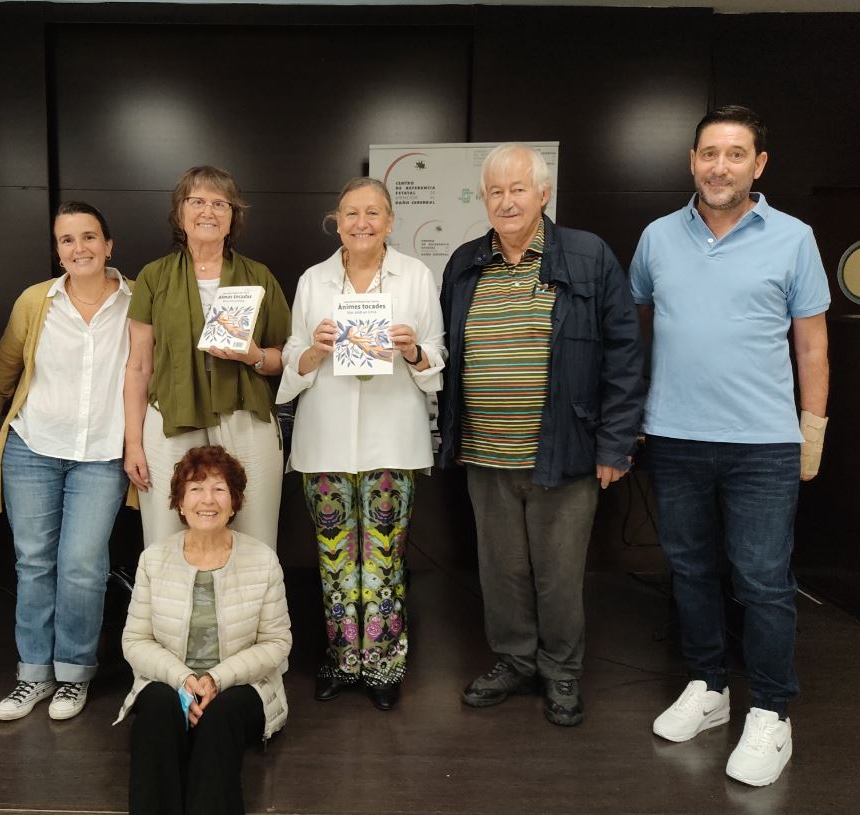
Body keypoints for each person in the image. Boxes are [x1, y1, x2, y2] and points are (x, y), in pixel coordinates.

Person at [630, 105, 830, 787]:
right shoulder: (657, 237)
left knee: (763, 581)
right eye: (709, 153)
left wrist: (812, 431)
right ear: (692, 160)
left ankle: (771, 710)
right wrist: (635, 413)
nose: (720, 167)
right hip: (674, 435)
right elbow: (641, 325)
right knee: (688, 570)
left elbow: (812, 345)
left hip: (762, 444)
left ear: (758, 164)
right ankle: (708, 686)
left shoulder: (794, 237)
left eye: (735, 154)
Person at [438, 142, 643, 727]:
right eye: (495, 192)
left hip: (565, 450)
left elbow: (624, 354)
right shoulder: (464, 262)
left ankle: (561, 670)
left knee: (558, 574)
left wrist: (616, 444)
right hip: (485, 452)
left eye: (518, 189)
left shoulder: (587, 254)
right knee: (500, 571)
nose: (506, 201)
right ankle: (514, 661)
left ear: (544, 194)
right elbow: (445, 348)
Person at [277, 177, 445, 710]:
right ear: (337, 222)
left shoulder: (415, 276)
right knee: (334, 560)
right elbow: (292, 357)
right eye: (351, 213)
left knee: (384, 559)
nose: (362, 222)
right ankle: (342, 659)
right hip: (325, 439)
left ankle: (383, 664)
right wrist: (314, 350)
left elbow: (436, 357)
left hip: (392, 438)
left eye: (373, 212)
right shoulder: (314, 280)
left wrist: (413, 350)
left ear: (390, 222)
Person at [0, 201, 131, 721]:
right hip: (32, 448)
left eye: (89, 237)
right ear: (58, 251)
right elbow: (5, 366)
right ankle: (33, 674)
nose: (79, 248)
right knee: (34, 562)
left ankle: (74, 675)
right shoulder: (36, 301)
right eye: (67, 240)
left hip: (102, 454)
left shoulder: (137, 301)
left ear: (108, 245)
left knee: (83, 566)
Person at [115, 445, 291, 815]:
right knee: (157, 709)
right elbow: (135, 640)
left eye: (219, 489)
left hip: (240, 688)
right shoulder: (154, 559)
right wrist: (183, 680)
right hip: (169, 682)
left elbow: (276, 643)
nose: (207, 500)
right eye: (195, 489)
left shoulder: (263, 560)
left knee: (220, 715)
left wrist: (216, 679)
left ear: (234, 502)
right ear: (180, 503)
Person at [123, 166, 291, 550]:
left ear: (233, 216)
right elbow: (139, 366)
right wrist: (133, 442)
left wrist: (254, 356)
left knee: (255, 536)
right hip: (171, 415)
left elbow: (283, 358)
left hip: (246, 414)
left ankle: (251, 594)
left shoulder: (259, 276)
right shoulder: (154, 277)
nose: (208, 212)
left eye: (220, 204)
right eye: (197, 201)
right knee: (165, 537)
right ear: (179, 212)